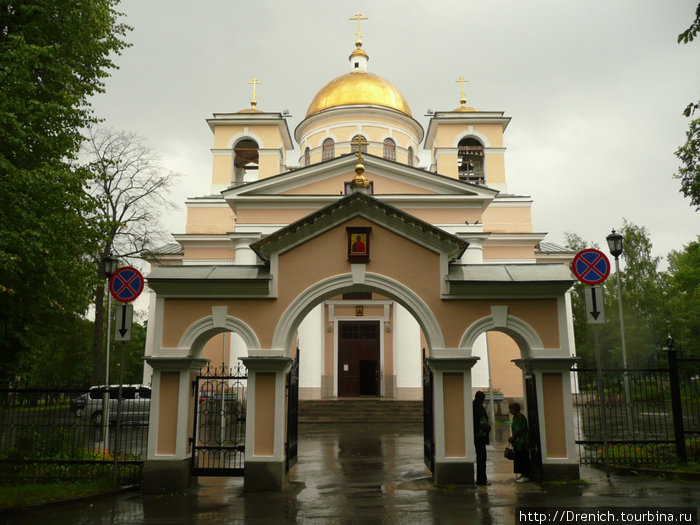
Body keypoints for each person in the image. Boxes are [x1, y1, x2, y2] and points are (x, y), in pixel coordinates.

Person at [508, 402, 530, 482]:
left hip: (522, 442)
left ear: (515, 409)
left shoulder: (520, 418)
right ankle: (522, 474)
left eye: (511, 409)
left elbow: (518, 430)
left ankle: (526, 475)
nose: (510, 411)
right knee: (519, 458)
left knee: (522, 458)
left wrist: (513, 437)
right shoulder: (515, 417)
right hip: (518, 442)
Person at [472, 391, 491, 485]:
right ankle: (482, 479)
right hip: (480, 436)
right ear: (482, 398)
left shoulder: (473, 405)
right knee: (482, 458)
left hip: (475, 435)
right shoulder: (479, 407)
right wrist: (488, 427)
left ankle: (481, 479)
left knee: (480, 457)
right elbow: (483, 422)